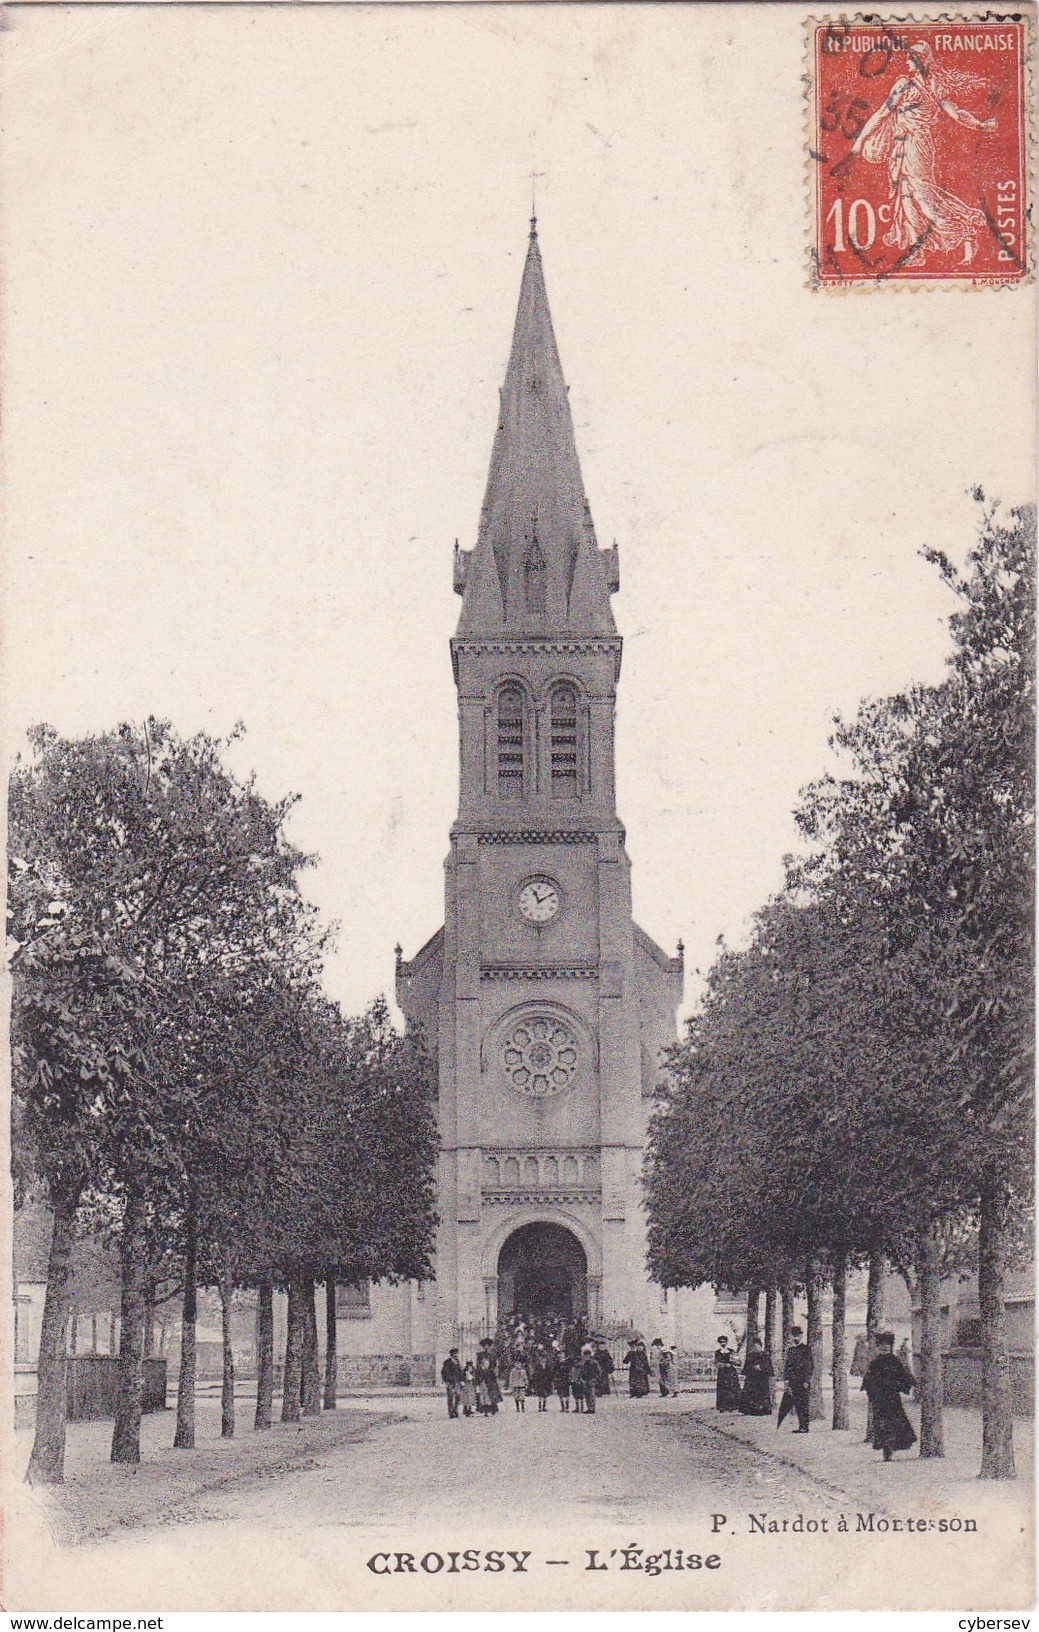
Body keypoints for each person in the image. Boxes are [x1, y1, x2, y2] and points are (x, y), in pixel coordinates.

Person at [850, 41, 996, 266]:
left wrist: (980, 125)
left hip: (918, 146)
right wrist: (860, 143)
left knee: (923, 198)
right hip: (901, 145)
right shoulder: (904, 84)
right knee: (906, 196)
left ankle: (966, 231)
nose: (908, 61)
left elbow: (956, 113)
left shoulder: (933, 85)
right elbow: (882, 113)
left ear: (922, 60)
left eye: (912, 57)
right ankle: (918, 249)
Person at [861, 1332, 917, 1461]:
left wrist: (903, 1385)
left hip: (892, 1398)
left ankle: (892, 1446)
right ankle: (886, 1448)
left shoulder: (895, 1361)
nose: (884, 1349)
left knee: (894, 1422)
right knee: (882, 1424)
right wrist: (871, 1392)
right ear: (877, 1348)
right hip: (879, 1399)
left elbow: (903, 1376)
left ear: (890, 1347)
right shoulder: (874, 1363)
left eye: (887, 1346)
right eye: (881, 1346)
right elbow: (868, 1380)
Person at [777, 1326, 812, 1432]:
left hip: (802, 1381)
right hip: (793, 1381)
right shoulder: (791, 1350)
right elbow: (787, 1366)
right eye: (794, 1336)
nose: (796, 1338)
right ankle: (800, 1426)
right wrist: (786, 1380)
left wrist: (806, 1380)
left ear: (801, 1336)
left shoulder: (806, 1349)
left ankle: (805, 1427)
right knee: (796, 1404)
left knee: (803, 1404)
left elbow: (809, 1366)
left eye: (798, 1336)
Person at [740, 1339, 773, 1416]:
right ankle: (751, 1410)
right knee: (751, 1393)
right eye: (754, 1347)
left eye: (758, 1347)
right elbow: (746, 1367)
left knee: (762, 1394)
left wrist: (761, 1367)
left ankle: (764, 1409)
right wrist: (752, 1369)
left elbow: (769, 1368)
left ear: (761, 1347)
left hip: (762, 1378)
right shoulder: (750, 1356)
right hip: (752, 1378)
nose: (756, 1348)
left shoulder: (765, 1356)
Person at [714, 1336, 742, 1413]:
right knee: (722, 1389)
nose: (723, 1343)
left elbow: (737, 1361)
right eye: (721, 1342)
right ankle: (722, 1407)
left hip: (731, 1372)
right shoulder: (718, 1352)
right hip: (722, 1373)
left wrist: (733, 1363)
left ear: (726, 1342)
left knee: (731, 1388)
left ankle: (732, 1406)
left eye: (724, 1342)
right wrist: (723, 1365)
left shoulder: (731, 1351)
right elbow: (716, 1363)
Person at [475, 1346, 501, 1416]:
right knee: (483, 1397)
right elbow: (477, 1376)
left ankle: (493, 1408)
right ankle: (483, 1409)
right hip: (483, 1383)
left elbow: (494, 1374)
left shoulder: (491, 1370)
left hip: (490, 1383)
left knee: (492, 1396)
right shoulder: (479, 1369)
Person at [440, 1348, 462, 1419]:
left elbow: (460, 1372)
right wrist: (447, 1380)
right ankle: (451, 1412)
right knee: (450, 1396)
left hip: (457, 1381)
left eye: (457, 1353)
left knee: (458, 1395)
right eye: (454, 1353)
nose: (456, 1355)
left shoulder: (457, 1362)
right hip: (450, 1382)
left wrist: (461, 1379)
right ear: (451, 1354)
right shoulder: (447, 1362)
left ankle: (455, 1410)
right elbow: (444, 1372)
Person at [579, 1344, 600, 1414]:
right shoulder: (583, 1364)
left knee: (592, 1395)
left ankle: (592, 1408)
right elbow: (581, 1372)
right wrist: (582, 1379)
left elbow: (598, 1371)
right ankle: (589, 1407)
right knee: (586, 1395)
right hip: (585, 1380)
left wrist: (596, 1379)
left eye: (588, 1355)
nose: (586, 1357)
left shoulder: (594, 1363)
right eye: (585, 1356)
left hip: (592, 1380)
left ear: (590, 1355)